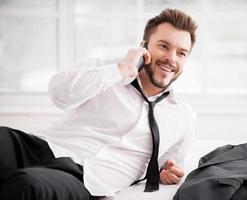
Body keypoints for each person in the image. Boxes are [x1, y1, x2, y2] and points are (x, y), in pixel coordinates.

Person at [0, 8, 197, 200]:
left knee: (30, 186)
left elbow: (168, 166)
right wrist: (120, 70)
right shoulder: (104, 70)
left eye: (181, 53)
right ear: (144, 46)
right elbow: (59, 95)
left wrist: (167, 173)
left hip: (82, 179)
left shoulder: (184, 118)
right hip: (42, 146)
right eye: (164, 46)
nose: (171, 58)